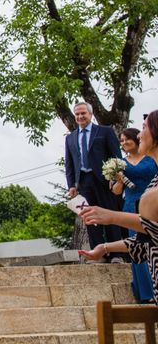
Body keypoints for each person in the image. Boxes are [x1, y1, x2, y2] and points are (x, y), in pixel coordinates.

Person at [80, 111, 158, 304]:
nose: (139, 135)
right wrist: (105, 247)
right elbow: (143, 242)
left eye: (144, 128)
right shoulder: (151, 186)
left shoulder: (151, 194)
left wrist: (111, 217)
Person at [65, 102, 124, 262]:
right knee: (90, 219)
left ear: (90, 114)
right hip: (84, 182)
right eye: (77, 114)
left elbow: (116, 156)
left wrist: (115, 178)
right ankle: (99, 255)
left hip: (105, 181)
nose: (80, 117)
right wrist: (71, 185)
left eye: (83, 113)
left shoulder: (104, 131)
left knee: (110, 216)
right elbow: (69, 163)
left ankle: (116, 254)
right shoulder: (70, 138)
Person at [110, 128, 157, 302]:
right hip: (130, 205)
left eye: (126, 139)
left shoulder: (151, 158)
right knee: (138, 245)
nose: (124, 143)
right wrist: (119, 182)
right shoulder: (120, 163)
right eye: (121, 141)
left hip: (152, 203)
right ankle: (146, 292)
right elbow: (115, 191)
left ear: (135, 138)